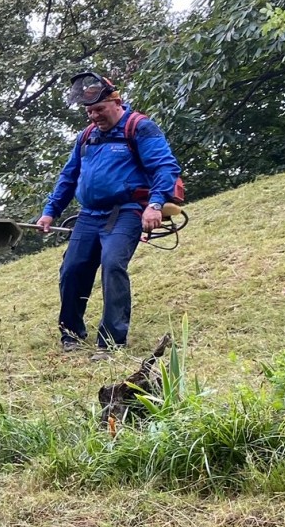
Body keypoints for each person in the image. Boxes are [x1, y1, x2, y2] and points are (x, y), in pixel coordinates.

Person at [37, 71, 181, 353]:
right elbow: (69, 176)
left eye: (99, 109)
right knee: (72, 270)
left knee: (113, 265)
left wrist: (154, 204)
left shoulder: (140, 128)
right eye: (90, 111)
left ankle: (112, 342)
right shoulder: (86, 137)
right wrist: (50, 211)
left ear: (117, 102)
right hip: (89, 214)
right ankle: (71, 335)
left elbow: (165, 167)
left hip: (127, 210)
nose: (94, 116)